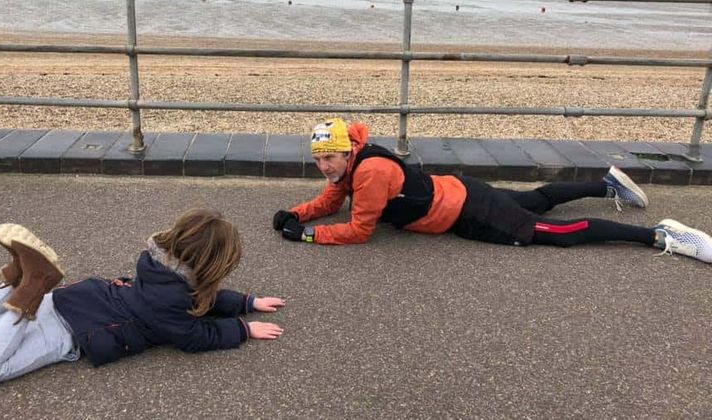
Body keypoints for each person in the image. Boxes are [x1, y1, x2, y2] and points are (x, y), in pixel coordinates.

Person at [272, 117, 712, 264]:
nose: (322, 166)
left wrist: (309, 235)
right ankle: (605, 183)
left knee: (555, 231)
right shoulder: (354, 161)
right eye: (317, 159)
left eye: (327, 158)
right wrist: (298, 214)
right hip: (460, 188)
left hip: (467, 212)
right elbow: (332, 199)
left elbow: (359, 229)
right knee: (535, 199)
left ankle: (660, 235)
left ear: (347, 151)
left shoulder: (370, 174)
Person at [0, 209, 286, 384]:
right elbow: (194, 336)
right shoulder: (172, 302)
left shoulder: (155, 266)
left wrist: (247, 303)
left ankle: (22, 277)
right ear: (209, 265)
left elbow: (204, 299)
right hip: (71, 330)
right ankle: (31, 286)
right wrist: (243, 329)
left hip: (67, 300)